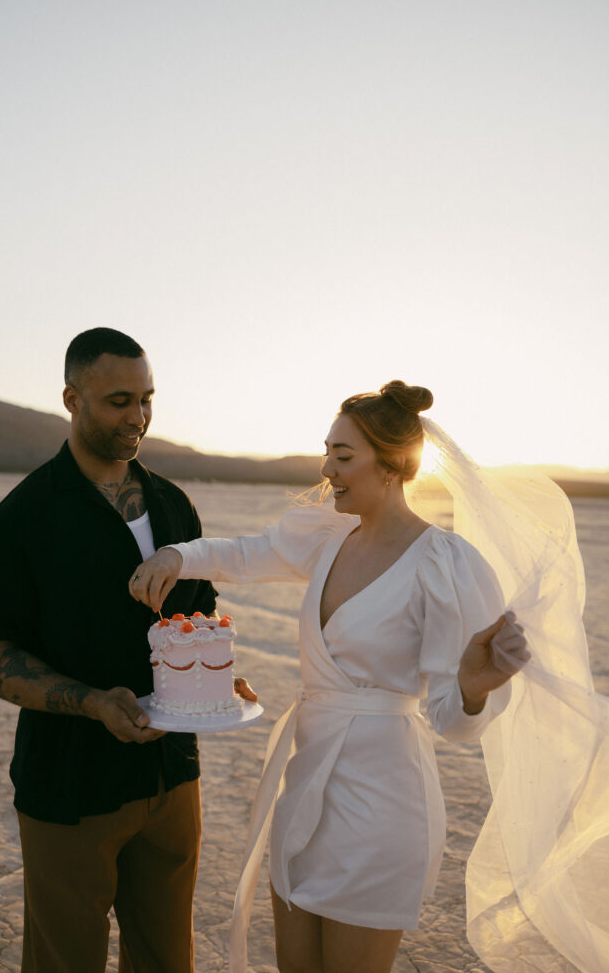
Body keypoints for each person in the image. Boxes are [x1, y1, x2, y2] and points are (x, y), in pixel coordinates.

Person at [129, 380, 530, 973]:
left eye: (343, 456)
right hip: (304, 781)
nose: (326, 468)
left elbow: (451, 720)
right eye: (327, 452)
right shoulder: (329, 536)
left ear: (393, 465)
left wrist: (474, 686)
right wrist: (176, 556)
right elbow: (245, 553)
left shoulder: (442, 563)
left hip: (382, 802)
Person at [0, 327, 253, 973]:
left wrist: (217, 679)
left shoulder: (173, 505)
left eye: (147, 399)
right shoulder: (21, 520)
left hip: (172, 776)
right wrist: (93, 703)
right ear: (72, 399)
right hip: (70, 786)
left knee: (165, 961)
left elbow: (197, 615)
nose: (139, 417)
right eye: (120, 400)